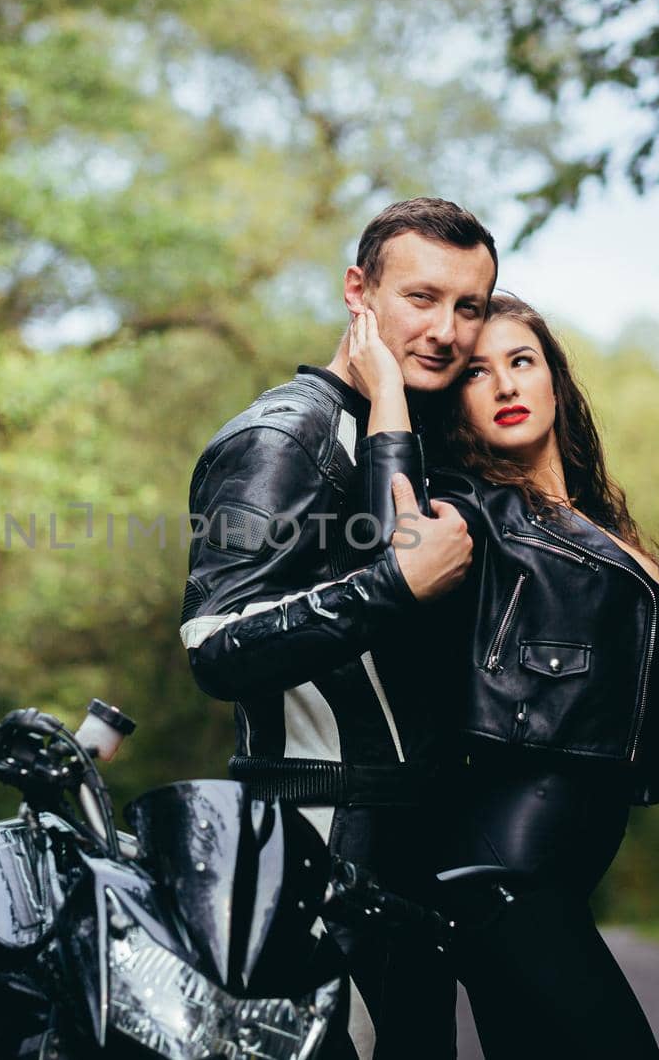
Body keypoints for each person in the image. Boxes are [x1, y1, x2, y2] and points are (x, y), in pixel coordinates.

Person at [347, 293, 659, 1059]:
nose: (507, 385)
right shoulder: (475, 510)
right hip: (502, 873)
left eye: (522, 362)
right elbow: (395, 548)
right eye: (478, 373)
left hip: (551, 873)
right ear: (457, 405)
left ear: (556, 381)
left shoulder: (588, 518)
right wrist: (388, 394)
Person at [180, 197, 497, 1058]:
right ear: (359, 291)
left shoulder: (402, 434)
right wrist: (392, 585)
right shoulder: (284, 437)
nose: (447, 330)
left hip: (404, 853)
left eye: (469, 306)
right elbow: (215, 644)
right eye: (422, 298)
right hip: (315, 843)